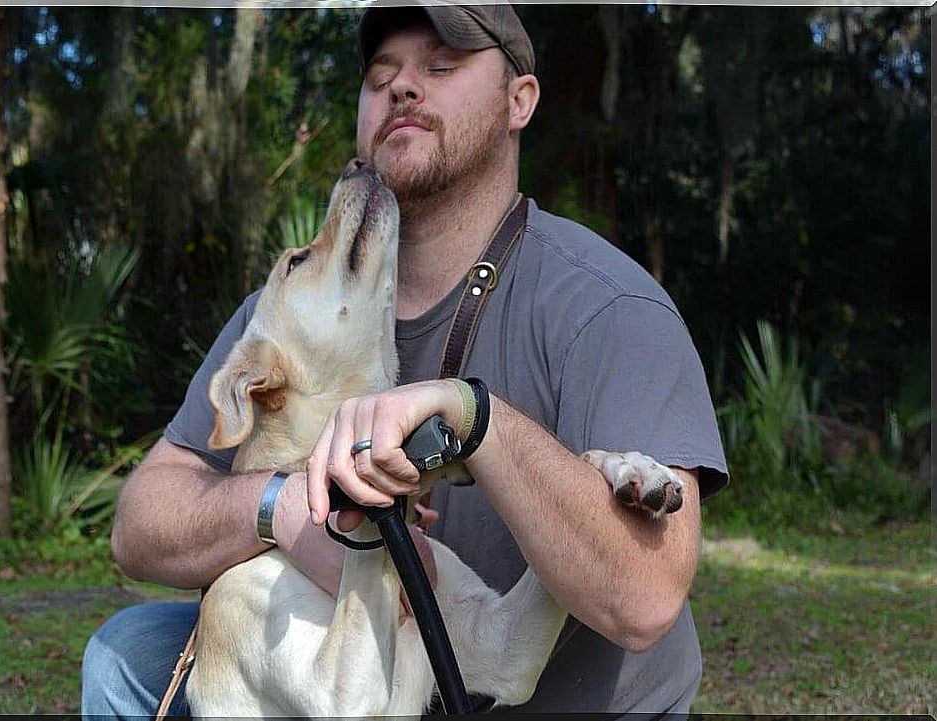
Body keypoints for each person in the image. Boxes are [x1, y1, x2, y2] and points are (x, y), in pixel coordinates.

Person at [81, 4, 728, 717]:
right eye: (380, 76)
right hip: (383, 672)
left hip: (555, 702)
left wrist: (476, 418)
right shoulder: (294, 319)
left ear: (521, 101)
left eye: (441, 66)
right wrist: (287, 508)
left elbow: (644, 599)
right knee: (128, 650)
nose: (401, 89)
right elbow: (137, 525)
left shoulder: (606, 308)